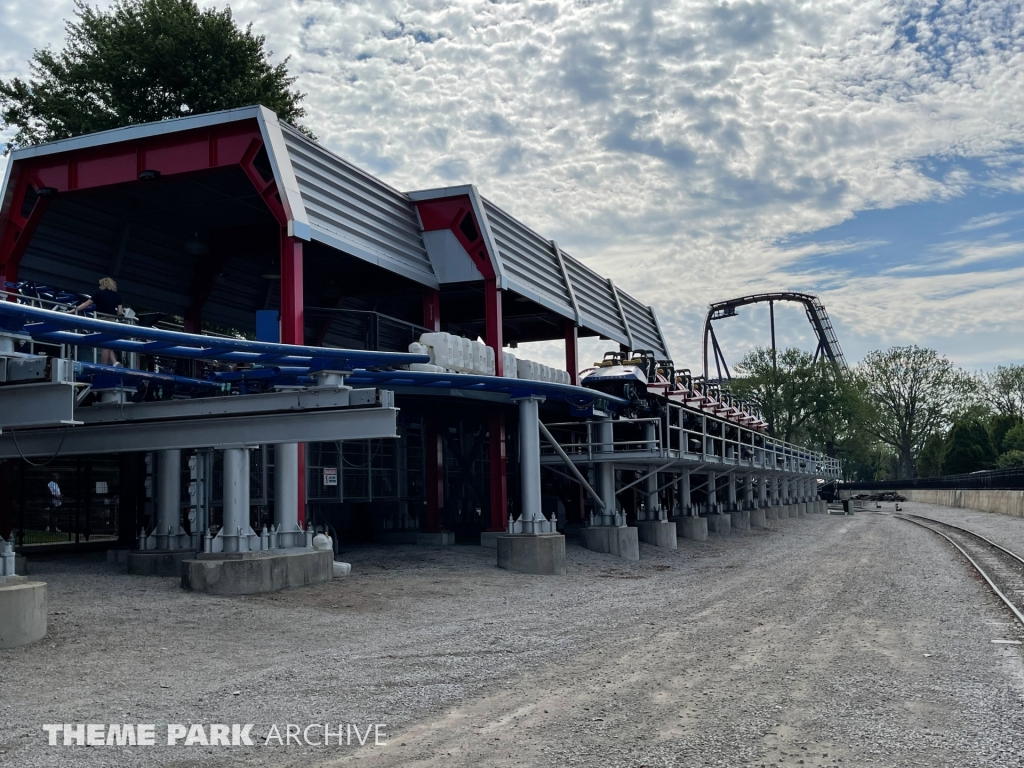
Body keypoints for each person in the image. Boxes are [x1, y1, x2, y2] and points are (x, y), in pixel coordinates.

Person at [76, 277, 124, 366]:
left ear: (105, 284)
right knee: (108, 342)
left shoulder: (98, 294)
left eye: (101, 284)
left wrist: (73, 310)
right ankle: (114, 361)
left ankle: (103, 366)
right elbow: (120, 312)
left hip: (101, 320)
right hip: (112, 320)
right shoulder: (117, 295)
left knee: (105, 345)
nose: (99, 287)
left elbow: (86, 304)